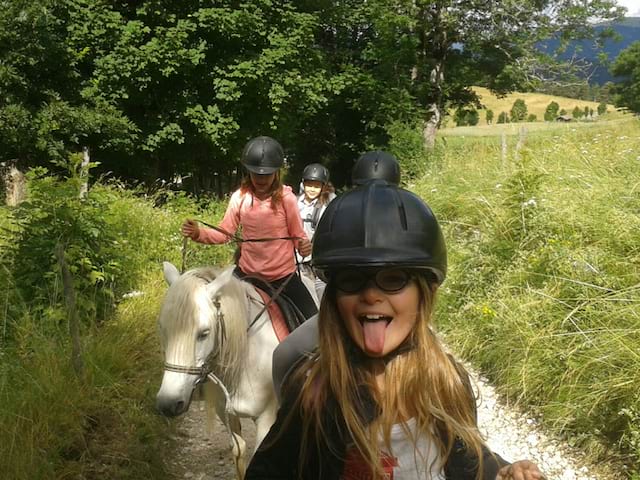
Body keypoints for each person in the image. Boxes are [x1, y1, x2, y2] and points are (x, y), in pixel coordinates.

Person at [245, 181, 545, 479]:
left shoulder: (446, 382)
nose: (371, 295)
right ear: (334, 299)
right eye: (351, 279)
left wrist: (502, 472)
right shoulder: (316, 394)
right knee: (284, 352)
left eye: (394, 279)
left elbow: (466, 459)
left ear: (423, 293)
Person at [271, 150, 402, 402]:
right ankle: (286, 419)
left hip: (372, 297)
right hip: (337, 285)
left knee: (284, 356)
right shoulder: (345, 210)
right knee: (282, 355)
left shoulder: (342, 208)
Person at [181, 136, 318, 321]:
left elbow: (298, 236)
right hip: (247, 275)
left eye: (266, 175)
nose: (261, 179)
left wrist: (303, 246)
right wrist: (198, 233)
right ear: (248, 172)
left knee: (313, 320)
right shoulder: (240, 197)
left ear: (276, 173)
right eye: (256, 174)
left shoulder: (287, 199)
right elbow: (224, 234)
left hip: (282, 277)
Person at [297, 163, 336, 299]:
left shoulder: (327, 205)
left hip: (316, 261)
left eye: (316, 186)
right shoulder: (296, 202)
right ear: (303, 184)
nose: (312, 189)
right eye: (309, 185)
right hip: (294, 259)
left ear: (323, 187)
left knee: (321, 296)